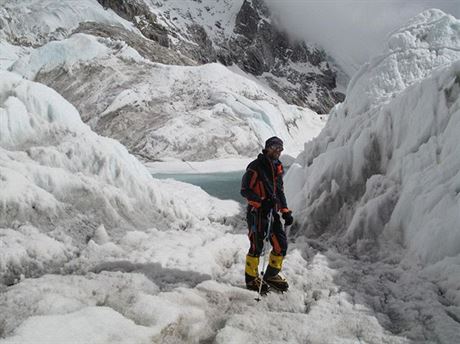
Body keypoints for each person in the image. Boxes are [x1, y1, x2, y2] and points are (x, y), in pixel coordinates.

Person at [240, 136, 294, 293]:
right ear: (267, 148)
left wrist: (285, 210)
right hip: (256, 212)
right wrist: (261, 202)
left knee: (281, 245)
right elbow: (245, 190)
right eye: (275, 148)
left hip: (272, 212)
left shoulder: (277, 167)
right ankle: (251, 280)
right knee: (257, 246)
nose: (278, 151)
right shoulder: (255, 167)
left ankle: (270, 275)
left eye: (280, 149)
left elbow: (279, 191)